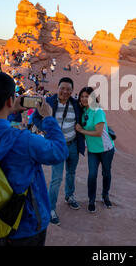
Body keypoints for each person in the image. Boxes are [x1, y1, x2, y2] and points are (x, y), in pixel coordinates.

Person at [0, 71, 68, 246]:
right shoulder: (24, 140)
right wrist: (48, 118)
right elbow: (60, 151)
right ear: (9, 101)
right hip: (26, 225)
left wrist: (8, 111)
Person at [33, 77, 86, 225]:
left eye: (68, 89)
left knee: (71, 173)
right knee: (56, 178)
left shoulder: (75, 104)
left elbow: (86, 112)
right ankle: (51, 208)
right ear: (58, 88)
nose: (65, 91)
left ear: (72, 91)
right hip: (57, 146)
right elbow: (35, 118)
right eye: (62, 88)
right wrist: (45, 128)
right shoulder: (48, 102)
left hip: (73, 144)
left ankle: (69, 196)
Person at [75, 87, 115, 213]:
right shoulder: (84, 111)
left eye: (87, 96)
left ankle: (105, 196)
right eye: (82, 96)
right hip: (92, 150)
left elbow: (98, 132)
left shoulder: (98, 111)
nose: (84, 99)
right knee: (92, 175)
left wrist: (81, 131)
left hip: (106, 149)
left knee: (106, 173)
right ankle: (91, 200)